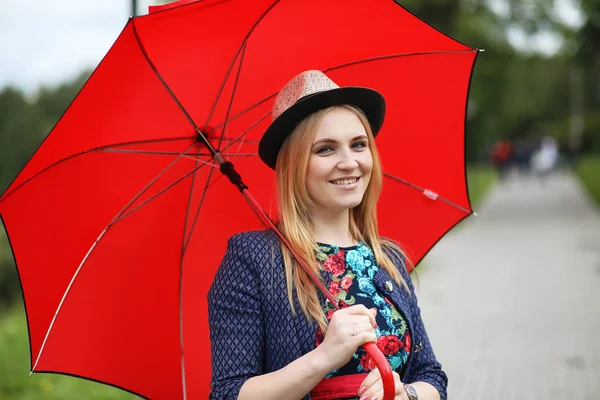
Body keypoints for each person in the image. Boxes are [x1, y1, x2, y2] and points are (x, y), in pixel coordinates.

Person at [208, 70, 447, 400]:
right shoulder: (254, 259)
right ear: (293, 164)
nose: (349, 162)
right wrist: (323, 358)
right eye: (326, 149)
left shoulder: (387, 258)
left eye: (358, 145)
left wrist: (406, 393)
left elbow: (431, 375)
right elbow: (228, 393)